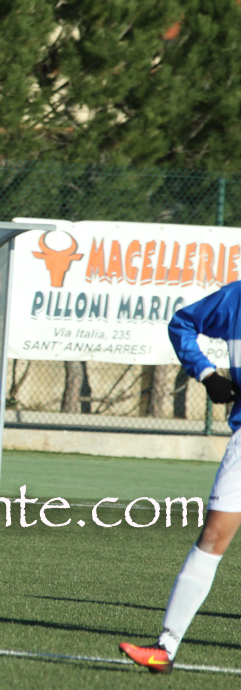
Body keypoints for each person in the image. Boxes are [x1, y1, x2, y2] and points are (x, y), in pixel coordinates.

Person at [119, 285, 241, 673]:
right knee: (213, 536)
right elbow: (182, 323)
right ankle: (165, 647)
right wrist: (207, 375)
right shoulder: (237, 298)